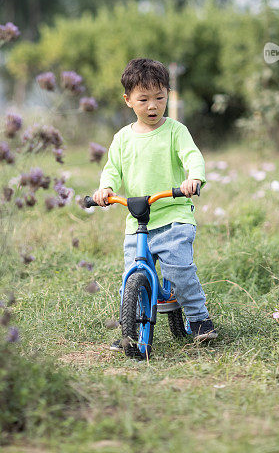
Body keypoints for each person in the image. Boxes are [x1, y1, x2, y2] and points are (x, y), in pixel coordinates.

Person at [92, 57, 218, 348]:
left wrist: (193, 178)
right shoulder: (122, 138)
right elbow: (112, 168)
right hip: (138, 221)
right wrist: (105, 188)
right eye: (143, 99)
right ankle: (129, 332)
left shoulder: (175, 130)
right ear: (128, 100)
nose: (152, 106)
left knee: (180, 270)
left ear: (167, 97)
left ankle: (199, 318)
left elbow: (192, 155)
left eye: (160, 98)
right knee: (132, 275)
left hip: (173, 215)